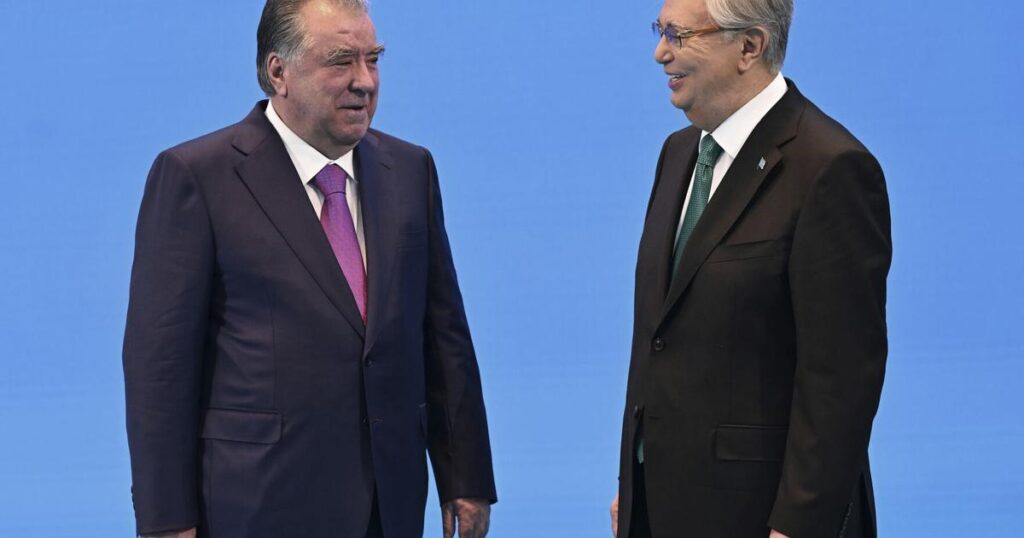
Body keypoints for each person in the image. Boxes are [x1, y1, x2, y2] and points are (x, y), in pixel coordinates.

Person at [122, 1, 496, 536]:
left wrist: (465, 474)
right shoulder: (197, 177)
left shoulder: (411, 171)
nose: (365, 81)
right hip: (255, 505)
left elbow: (443, 336)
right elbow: (160, 367)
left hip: (389, 505)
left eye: (373, 59)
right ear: (278, 72)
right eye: (341, 61)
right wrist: (166, 519)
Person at [610, 0, 891, 536]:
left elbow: (841, 380)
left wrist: (799, 525)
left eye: (679, 35)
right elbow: (663, 338)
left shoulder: (830, 168)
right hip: (664, 506)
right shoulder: (678, 153)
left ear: (749, 46)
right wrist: (637, 477)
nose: (660, 52)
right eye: (660, 30)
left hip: (764, 517)